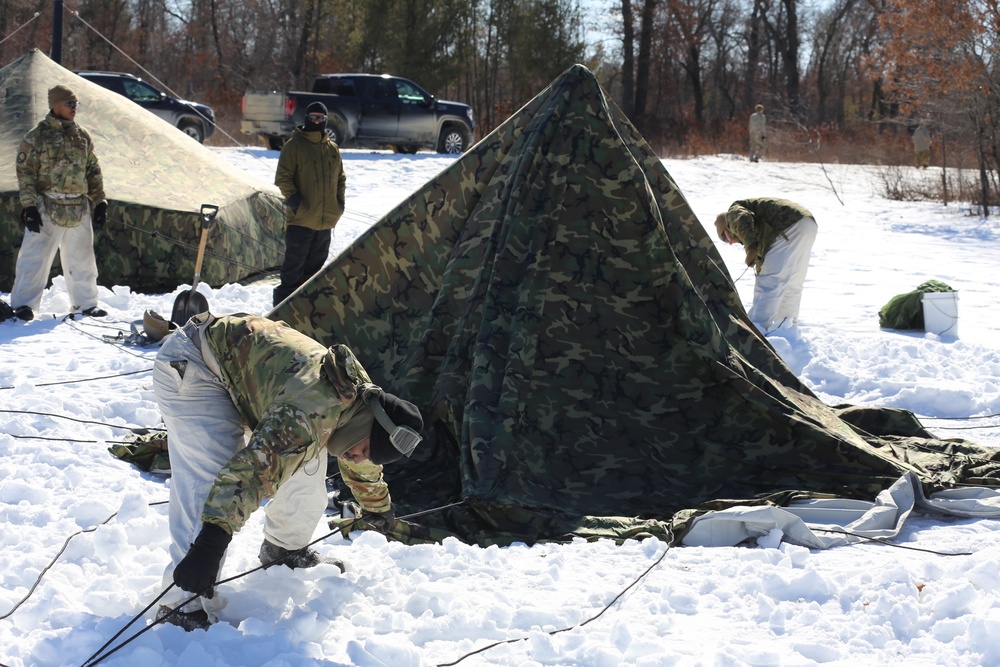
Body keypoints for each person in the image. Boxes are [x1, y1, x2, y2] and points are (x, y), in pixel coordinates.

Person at [152, 312, 423, 630]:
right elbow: (251, 474)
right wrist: (211, 544)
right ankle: (181, 601)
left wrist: (377, 504)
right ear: (370, 422)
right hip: (193, 364)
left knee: (307, 462)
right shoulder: (308, 412)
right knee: (210, 479)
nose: (356, 456)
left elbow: (359, 457)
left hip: (252, 385)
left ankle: (283, 548)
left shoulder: (355, 404)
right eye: (363, 449)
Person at [10, 84, 109, 321]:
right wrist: (30, 207)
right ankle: (24, 305)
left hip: (78, 206)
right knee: (34, 258)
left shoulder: (81, 136)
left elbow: (93, 170)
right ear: (56, 106)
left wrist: (100, 201)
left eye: (76, 104)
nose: (75, 108)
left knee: (82, 258)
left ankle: (86, 304)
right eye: (70, 104)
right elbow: (26, 175)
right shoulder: (36, 137)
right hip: (47, 205)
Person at [272, 101, 346, 307]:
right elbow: (282, 178)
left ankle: (307, 311)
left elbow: (341, 179)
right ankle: (281, 311)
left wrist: (338, 205)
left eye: (320, 119)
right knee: (292, 272)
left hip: (325, 223)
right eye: (313, 117)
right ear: (306, 119)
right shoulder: (294, 146)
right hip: (301, 221)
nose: (316, 121)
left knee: (314, 273)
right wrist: (296, 203)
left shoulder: (332, 149)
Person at [715, 198, 818, 332]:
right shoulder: (760, 229)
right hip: (807, 223)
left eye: (725, 237)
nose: (729, 243)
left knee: (768, 283)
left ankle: (756, 331)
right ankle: (787, 329)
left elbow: (742, 219)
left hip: (785, 225)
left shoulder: (733, 213)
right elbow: (766, 258)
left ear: (727, 227)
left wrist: (751, 248)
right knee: (792, 284)